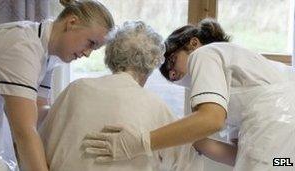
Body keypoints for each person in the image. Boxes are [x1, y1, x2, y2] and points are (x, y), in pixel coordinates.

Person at [83, 18, 295, 171]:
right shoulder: (238, 85)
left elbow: (211, 120)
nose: (173, 73)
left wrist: (141, 142)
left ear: (193, 43)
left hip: (278, 127)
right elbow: (238, 156)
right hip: (285, 153)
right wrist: (188, 138)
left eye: (172, 62)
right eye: (169, 75)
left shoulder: (206, 53)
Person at [38, 21, 202, 171]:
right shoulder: (157, 107)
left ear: (111, 55)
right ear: (152, 64)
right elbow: (188, 163)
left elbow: (41, 145)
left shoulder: (75, 89)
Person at [0, 0, 114, 170]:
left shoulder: (48, 52)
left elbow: (40, 110)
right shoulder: (22, 47)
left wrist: (82, 116)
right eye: (90, 43)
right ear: (72, 22)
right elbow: (24, 130)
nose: (87, 54)